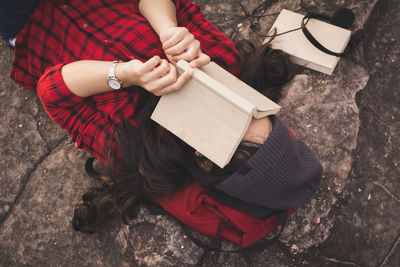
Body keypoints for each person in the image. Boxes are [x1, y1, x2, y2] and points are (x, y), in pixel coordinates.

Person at [8, 0, 322, 232]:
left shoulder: (133, 150)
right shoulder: (223, 65)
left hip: (30, 22)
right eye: (254, 110)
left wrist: (123, 74)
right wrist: (170, 30)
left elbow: (52, 93)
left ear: (205, 159)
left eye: (236, 124)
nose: (236, 105)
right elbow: (178, 6)